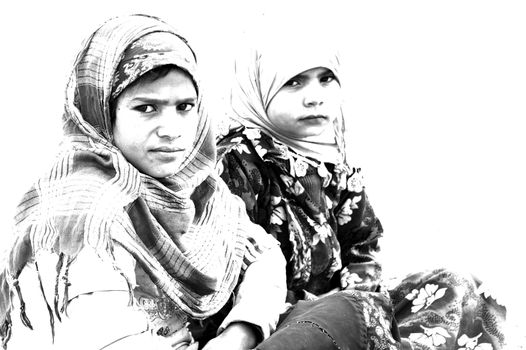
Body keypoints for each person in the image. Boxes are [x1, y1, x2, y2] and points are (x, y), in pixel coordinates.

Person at [0, 14, 286, 350]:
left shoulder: (201, 192)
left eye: (184, 107)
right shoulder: (81, 217)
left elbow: (264, 257)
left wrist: (240, 333)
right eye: (146, 107)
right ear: (102, 111)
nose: (171, 129)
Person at [216, 32, 507, 349]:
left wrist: (361, 298)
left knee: (459, 284)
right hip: (275, 321)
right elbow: (233, 265)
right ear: (258, 89)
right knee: (348, 314)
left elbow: (362, 246)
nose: (315, 97)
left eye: (326, 79)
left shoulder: (336, 164)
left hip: (344, 306)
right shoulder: (237, 161)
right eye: (294, 83)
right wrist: (342, 307)